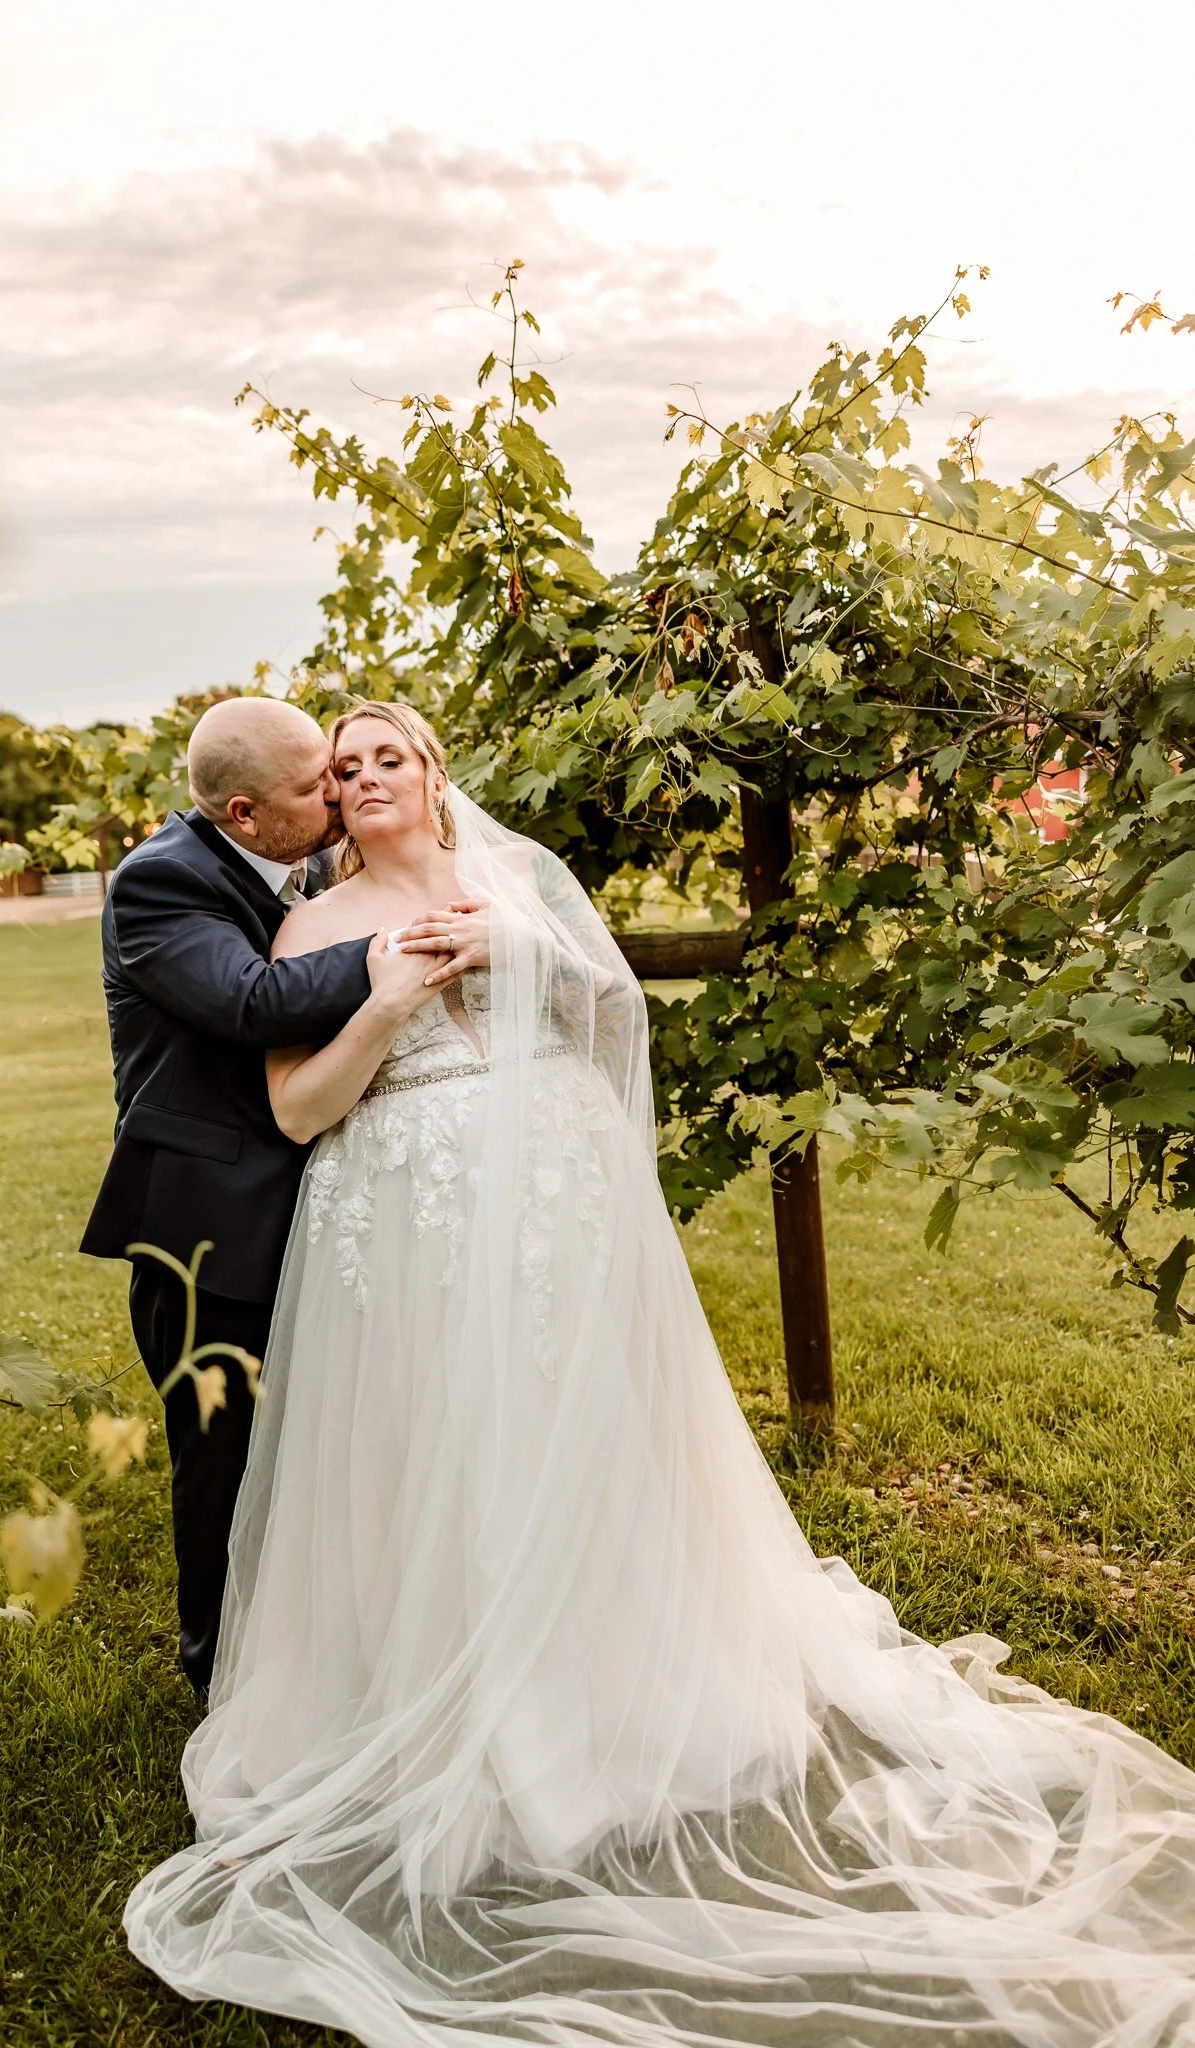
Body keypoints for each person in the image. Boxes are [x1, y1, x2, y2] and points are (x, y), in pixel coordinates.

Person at [125, 702, 1195, 2045]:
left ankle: (626, 1692)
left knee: (592, 1441)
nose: (362, 775)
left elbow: (608, 1007)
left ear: (433, 767)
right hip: (404, 1223)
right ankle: (457, 1709)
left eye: (384, 752)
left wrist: (513, 952)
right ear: (321, 802)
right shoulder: (312, 927)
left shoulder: (517, 880)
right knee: (438, 1452)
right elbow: (293, 1108)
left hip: (557, 1210)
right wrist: (391, 994)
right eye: (341, 768)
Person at [79, 696, 486, 1696]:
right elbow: (254, 1002)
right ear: (247, 812)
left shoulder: (298, 862)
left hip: (333, 1205)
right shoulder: (160, 883)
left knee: (335, 1453)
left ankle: (337, 1656)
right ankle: (218, 1679)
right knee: (226, 1464)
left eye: (345, 769)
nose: (342, 792)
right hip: (211, 1229)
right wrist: (399, 944)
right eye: (319, 783)